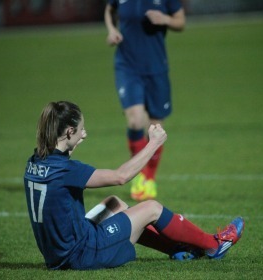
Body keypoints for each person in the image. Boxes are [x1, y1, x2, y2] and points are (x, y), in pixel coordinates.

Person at [24, 101, 245, 270]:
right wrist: (154, 144)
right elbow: (122, 176)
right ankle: (214, 245)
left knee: (114, 203)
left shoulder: (34, 162)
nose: (85, 134)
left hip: (56, 254)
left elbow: (59, 168)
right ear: (69, 131)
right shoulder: (68, 171)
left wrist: (71, 145)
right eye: (80, 129)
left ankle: (177, 250)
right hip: (82, 253)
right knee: (151, 208)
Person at [104, 0, 186, 201]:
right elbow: (109, 9)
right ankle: (139, 174)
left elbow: (181, 22)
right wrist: (112, 29)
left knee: (155, 127)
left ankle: (149, 177)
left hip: (157, 68)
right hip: (127, 66)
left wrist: (165, 19)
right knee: (135, 121)